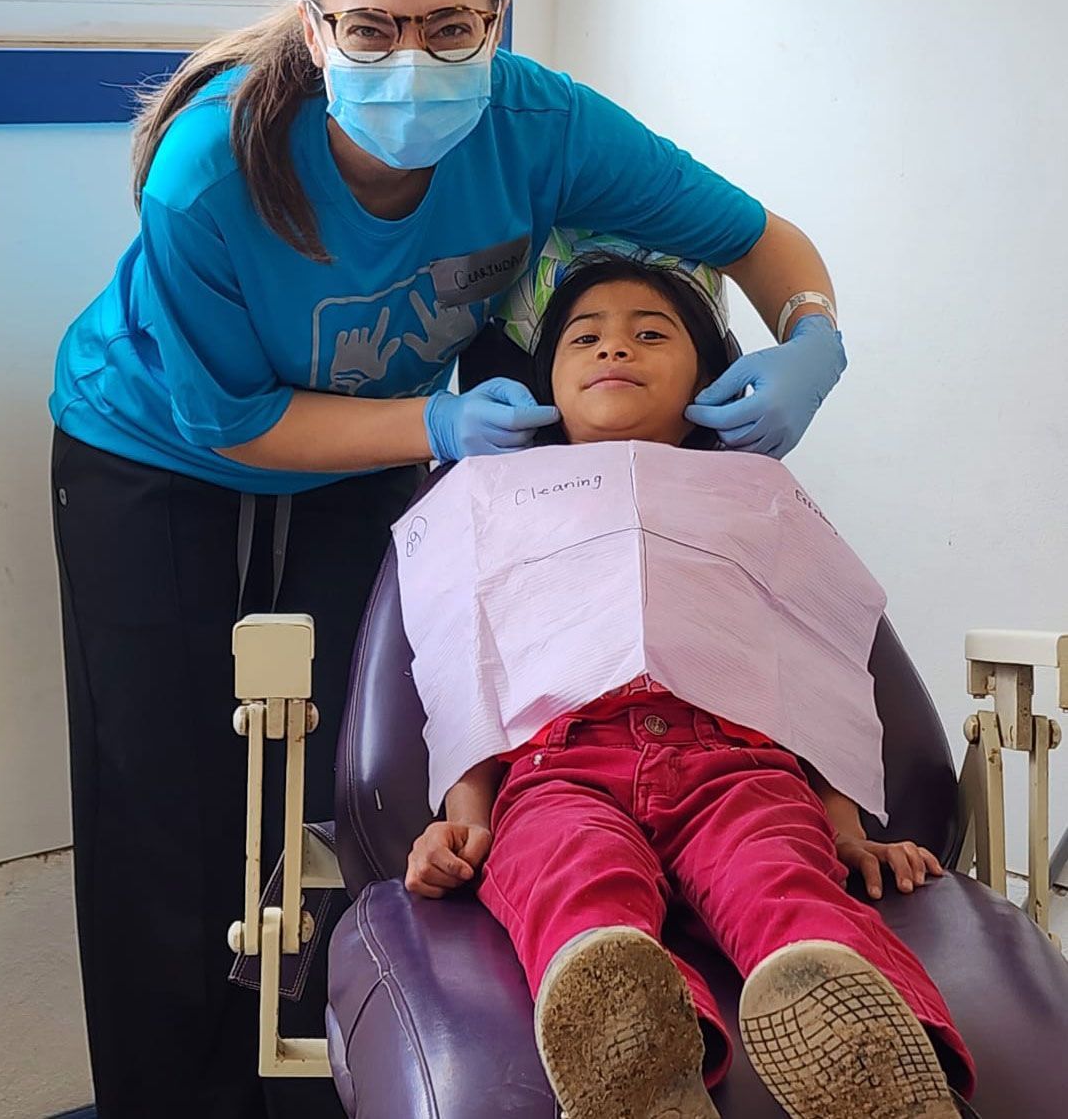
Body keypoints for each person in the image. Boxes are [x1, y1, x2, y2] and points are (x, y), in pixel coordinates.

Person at [50, 0, 846, 1118]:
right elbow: (234, 419)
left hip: (381, 441)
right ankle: (173, 1092)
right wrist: (429, 417)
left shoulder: (541, 124)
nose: (407, 58)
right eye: (368, 28)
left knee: (348, 772)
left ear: (497, 22)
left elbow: (757, 238)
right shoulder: (209, 167)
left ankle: (324, 1065)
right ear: (316, 31)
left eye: (447, 27)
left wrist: (811, 337)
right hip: (156, 437)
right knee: (161, 778)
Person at [404, 255, 976, 1119]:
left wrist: (845, 825)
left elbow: (812, 655)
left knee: (782, 874)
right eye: (584, 337)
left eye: (649, 333)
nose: (615, 349)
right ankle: (630, 1039)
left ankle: (865, 1043)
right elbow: (467, 665)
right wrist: (469, 814)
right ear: (546, 380)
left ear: (710, 376)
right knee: (569, 872)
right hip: (561, 768)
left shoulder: (758, 493)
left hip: (735, 761)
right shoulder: (488, 498)